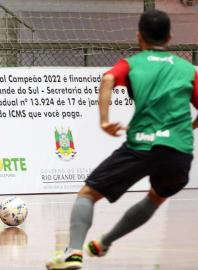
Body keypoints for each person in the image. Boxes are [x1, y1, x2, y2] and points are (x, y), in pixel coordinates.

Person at [46, 9, 198, 270]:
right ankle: (104, 243)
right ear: (170, 37)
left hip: (142, 144)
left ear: (139, 37)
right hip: (179, 151)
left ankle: (73, 252)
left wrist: (104, 121)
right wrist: (189, 126)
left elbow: (107, 79)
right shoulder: (188, 68)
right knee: (156, 197)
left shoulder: (133, 63)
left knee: (88, 194)